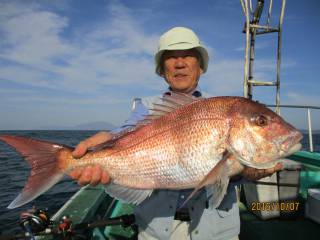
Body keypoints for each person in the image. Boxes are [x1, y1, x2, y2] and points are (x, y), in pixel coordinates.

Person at [70, 27, 283, 240]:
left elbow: (228, 170)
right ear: (162, 70)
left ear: (201, 67)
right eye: (171, 57)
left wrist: (246, 173)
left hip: (217, 232)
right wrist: (104, 144)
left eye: (188, 55)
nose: (179, 63)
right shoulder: (146, 107)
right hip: (156, 231)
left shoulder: (222, 107)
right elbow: (125, 132)